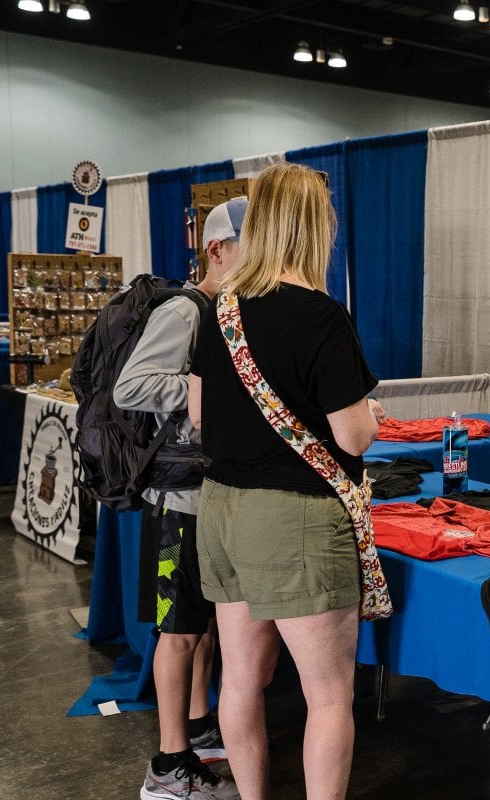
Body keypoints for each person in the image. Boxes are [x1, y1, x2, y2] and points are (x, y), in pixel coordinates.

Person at [188, 162, 381, 800]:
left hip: (221, 511)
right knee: (328, 697)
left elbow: (196, 413)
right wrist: (367, 417)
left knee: (241, 679)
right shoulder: (321, 316)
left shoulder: (219, 309)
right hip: (294, 518)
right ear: (315, 227)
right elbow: (352, 438)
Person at [115, 198, 248, 800]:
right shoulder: (184, 309)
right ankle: (169, 767)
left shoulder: (224, 310)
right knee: (179, 633)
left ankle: (196, 729)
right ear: (217, 249)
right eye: (251, 244)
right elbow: (131, 386)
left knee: (202, 627)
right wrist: (206, 389)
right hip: (177, 495)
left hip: (204, 489)